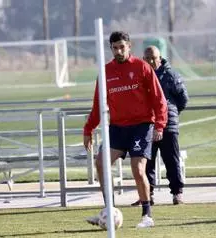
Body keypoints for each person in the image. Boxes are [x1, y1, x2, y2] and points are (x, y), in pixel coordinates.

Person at [83, 31, 167, 228]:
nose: (119, 51)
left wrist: (160, 125)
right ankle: (108, 211)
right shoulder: (105, 73)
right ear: (110, 49)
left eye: (122, 47)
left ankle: (147, 215)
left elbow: (158, 99)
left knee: (138, 169)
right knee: (101, 162)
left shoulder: (142, 67)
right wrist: (88, 129)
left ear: (129, 46)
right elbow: (98, 105)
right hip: (118, 128)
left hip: (141, 125)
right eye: (115, 48)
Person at [131, 45, 188, 206]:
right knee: (146, 162)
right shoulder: (140, 75)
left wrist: (171, 114)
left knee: (171, 160)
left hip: (168, 125)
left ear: (160, 57)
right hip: (146, 125)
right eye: (147, 58)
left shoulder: (170, 75)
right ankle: (147, 196)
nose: (150, 61)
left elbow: (183, 99)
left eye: (153, 58)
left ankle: (177, 194)